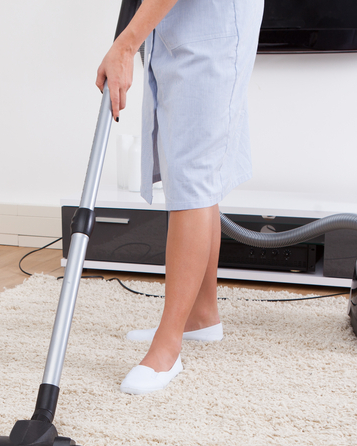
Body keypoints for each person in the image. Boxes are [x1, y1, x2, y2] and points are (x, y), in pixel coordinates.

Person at [96, 0, 263, 394]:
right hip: (182, 29)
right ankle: (201, 317)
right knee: (192, 177)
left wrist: (125, 45)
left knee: (193, 182)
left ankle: (167, 346)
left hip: (210, 32)